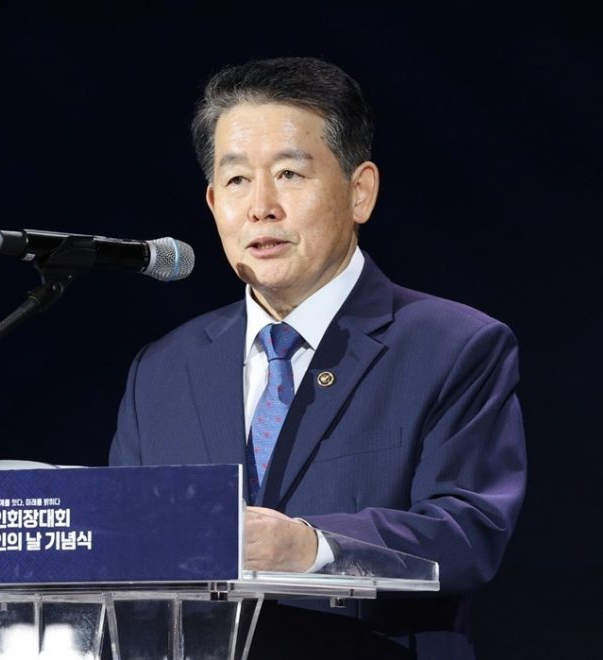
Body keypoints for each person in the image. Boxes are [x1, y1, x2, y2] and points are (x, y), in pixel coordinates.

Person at [108, 56, 526, 659]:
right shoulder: (164, 371)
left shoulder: (453, 346)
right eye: (237, 180)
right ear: (213, 202)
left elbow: (468, 533)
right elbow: (126, 555)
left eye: (289, 174)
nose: (261, 206)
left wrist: (309, 547)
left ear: (360, 192)